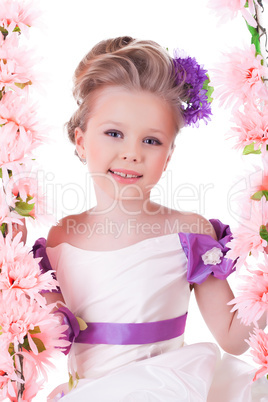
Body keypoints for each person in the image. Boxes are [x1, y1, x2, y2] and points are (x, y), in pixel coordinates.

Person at [29, 36, 267, 401]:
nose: (131, 153)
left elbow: (233, 337)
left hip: (167, 390)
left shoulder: (189, 232)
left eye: (151, 141)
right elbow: (46, 341)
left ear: (169, 156)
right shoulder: (61, 239)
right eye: (114, 133)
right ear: (80, 141)